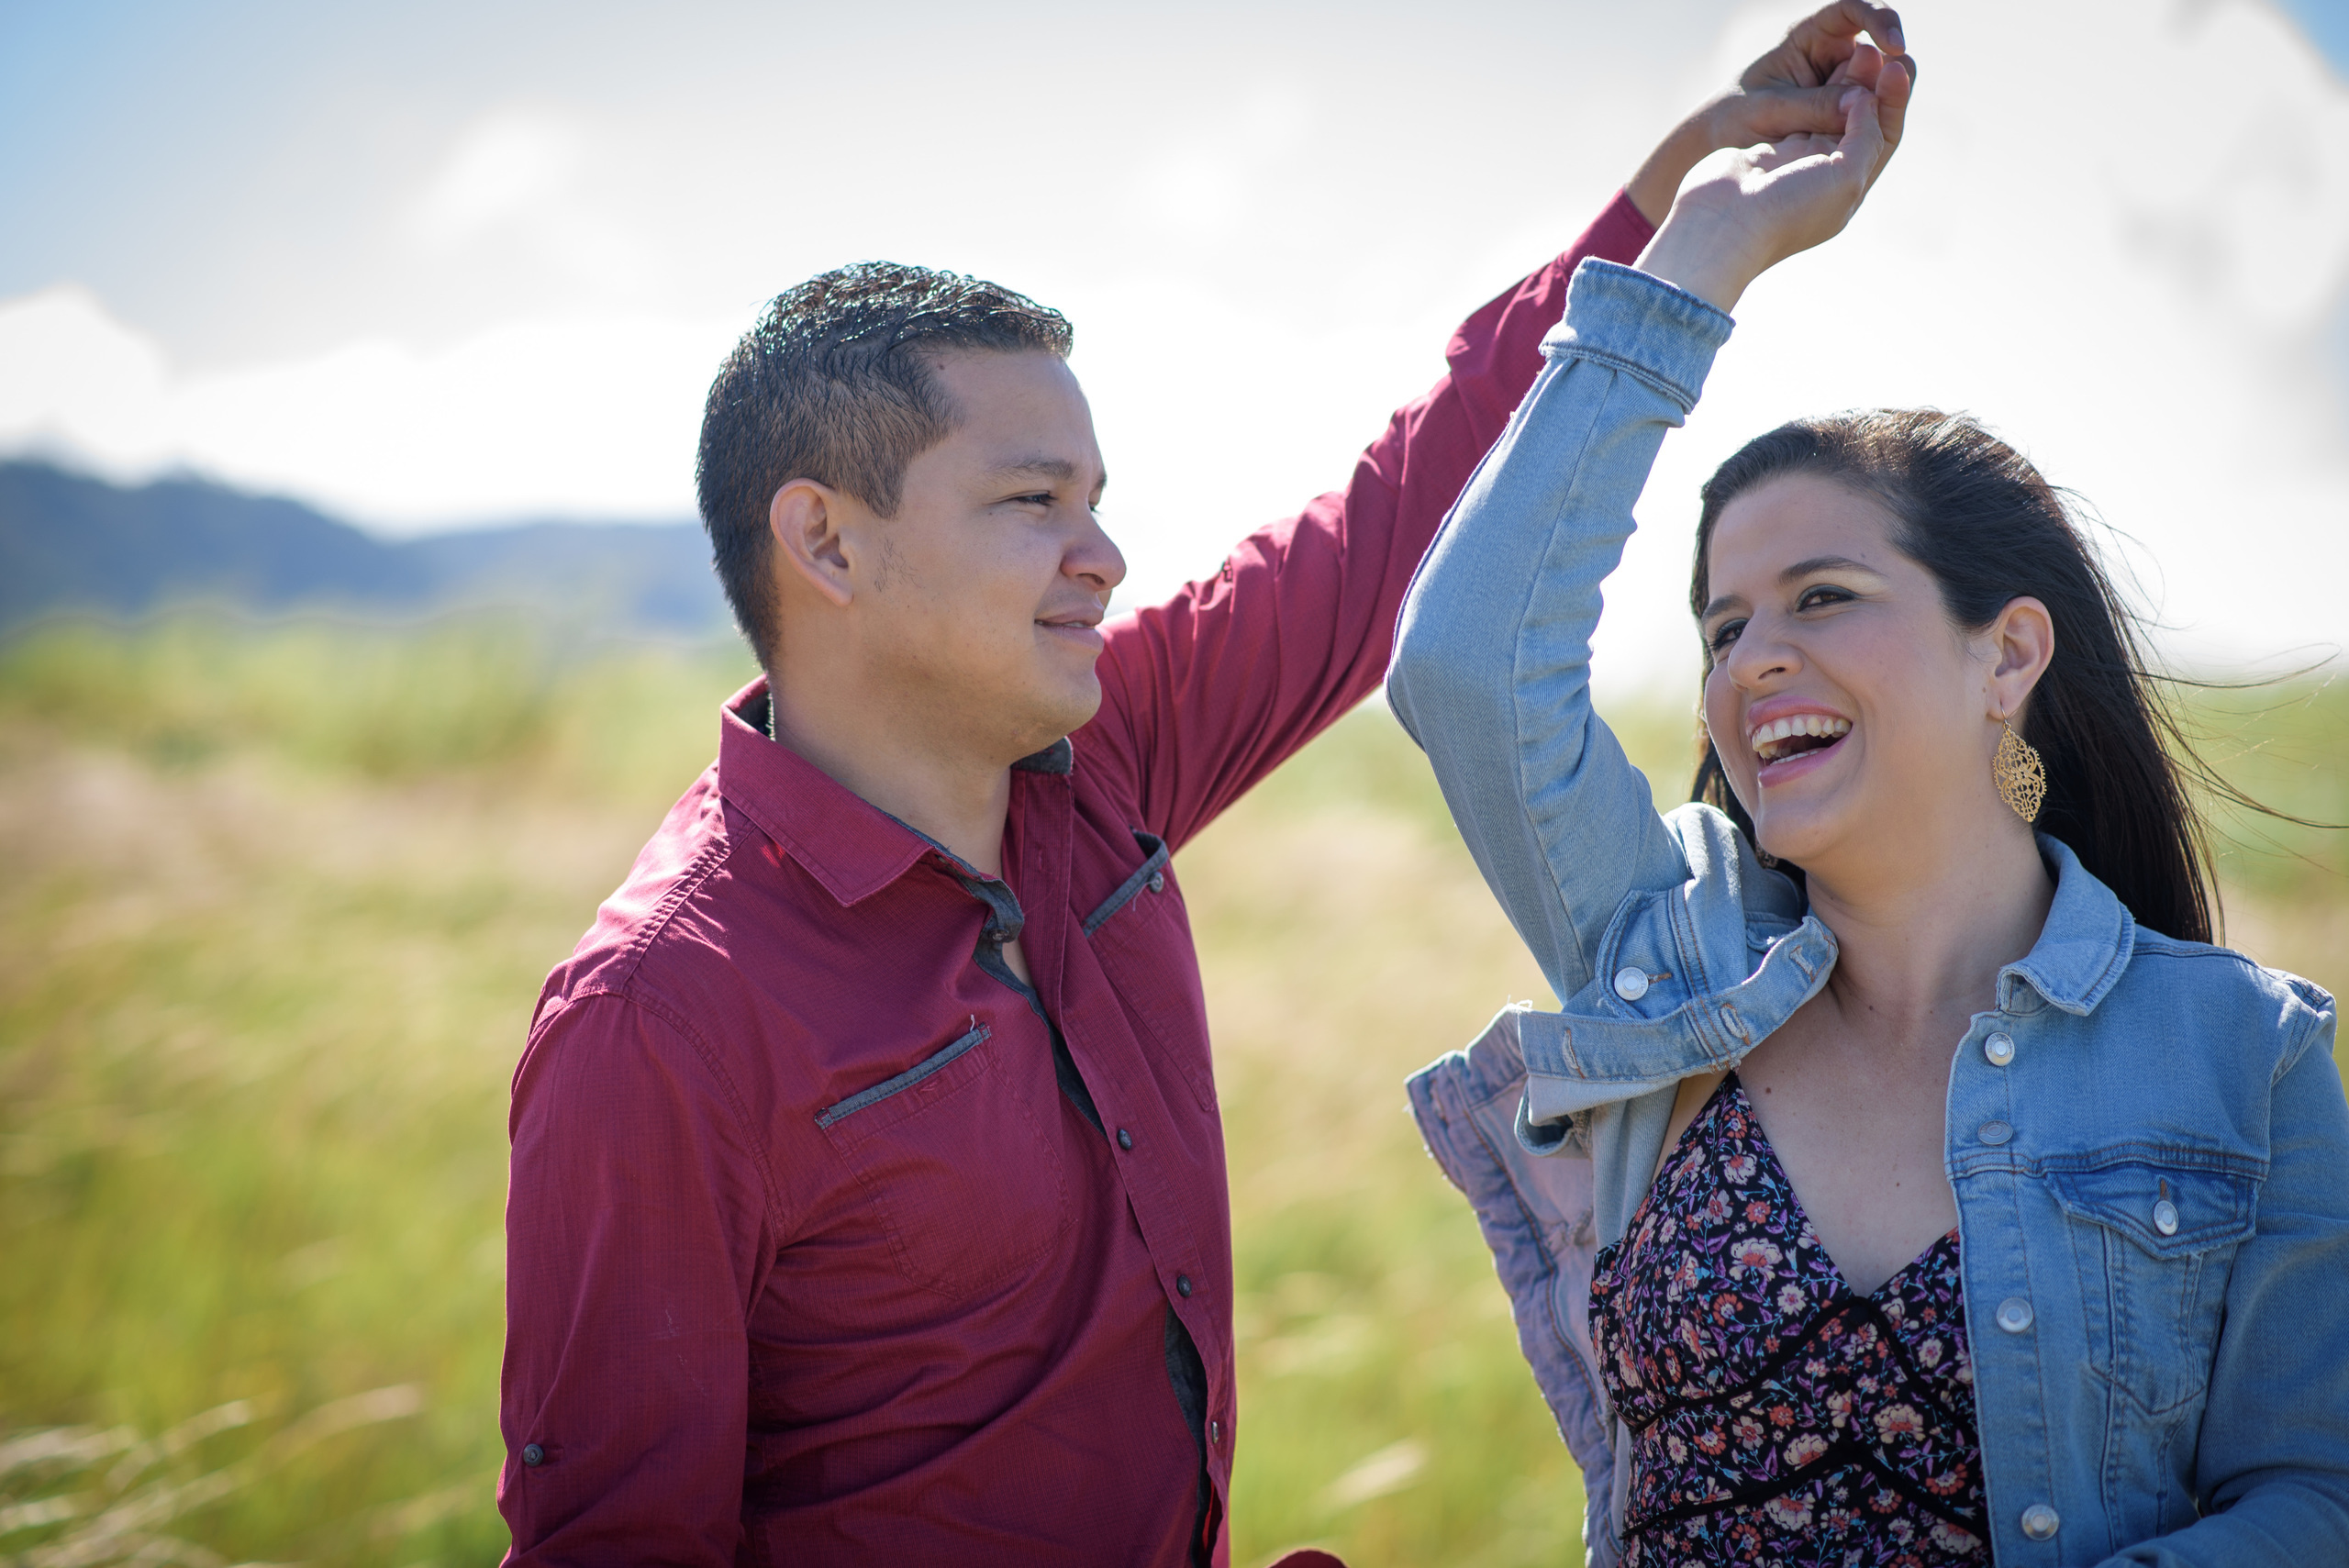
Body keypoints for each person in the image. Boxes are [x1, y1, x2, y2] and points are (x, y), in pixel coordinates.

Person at [495, 6, 1918, 1562]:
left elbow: (1394, 521)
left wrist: (1658, 223)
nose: (1099, 555)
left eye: (1095, 500)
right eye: (1032, 502)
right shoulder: (658, 1018)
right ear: (826, 541)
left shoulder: (1105, 757)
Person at [1387, 31, 2349, 1568]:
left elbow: (2316, 1496)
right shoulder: (1669, 963)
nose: (1757, 659)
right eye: (1722, 626)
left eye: (1822, 596)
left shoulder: (2244, 1053)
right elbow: (1464, 659)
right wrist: (1707, 243)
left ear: (2006, 653)